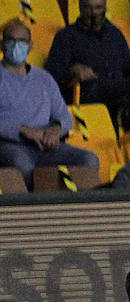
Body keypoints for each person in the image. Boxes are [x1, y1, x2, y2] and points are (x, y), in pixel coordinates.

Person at [0, 19, 99, 188]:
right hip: (11, 145)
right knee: (22, 164)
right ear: (2, 45)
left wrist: (55, 129)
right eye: (11, 40)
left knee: (89, 160)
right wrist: (23, 130)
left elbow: (64, 116)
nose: (17, 45)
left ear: (31, 45)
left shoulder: (44, 78)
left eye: (22, 41)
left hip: (47, 146)